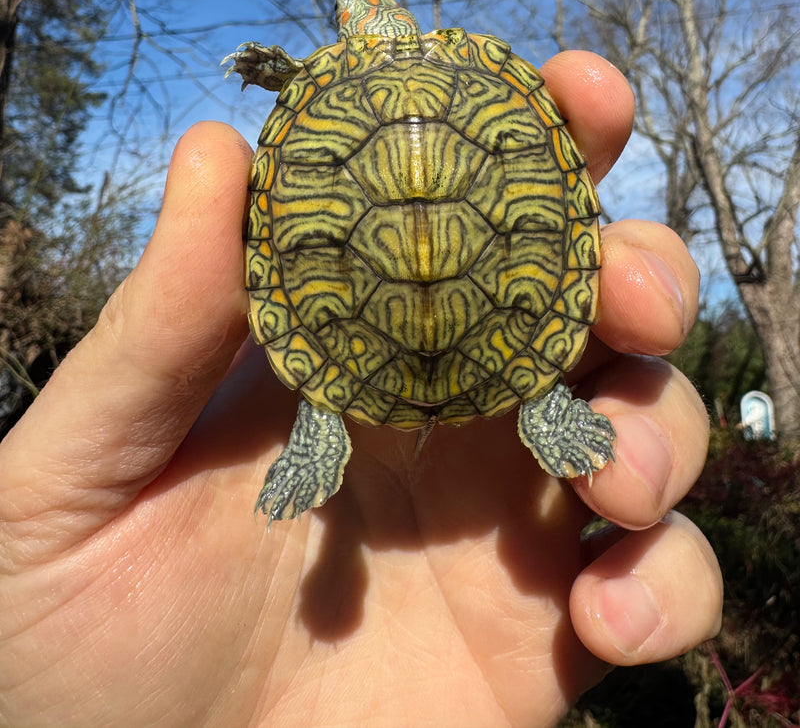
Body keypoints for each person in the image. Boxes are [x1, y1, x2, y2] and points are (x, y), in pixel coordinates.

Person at [0, 51, 722, 728]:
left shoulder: (318, 87)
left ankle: (350, 410)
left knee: (341, 372)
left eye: (358, 13)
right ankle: (532, 393)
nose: (353, 14)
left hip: (352, 343)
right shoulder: (486, 80)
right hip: (504, 338)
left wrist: (286, 75)